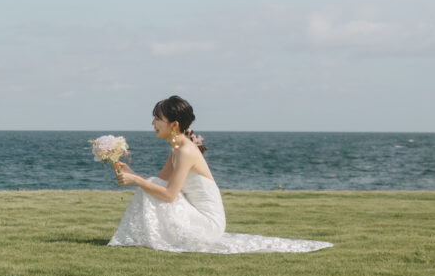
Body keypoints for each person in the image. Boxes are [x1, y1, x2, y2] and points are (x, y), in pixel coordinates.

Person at [109, 96, 332, 253]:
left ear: (174, 125)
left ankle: (142, 238)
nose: (153, 123)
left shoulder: (186, 150)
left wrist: (137, 180)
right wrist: (133, 175)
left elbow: (168, 195)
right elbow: (160, 184)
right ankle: (142, 237)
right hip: (194, 212)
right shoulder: (176, 149)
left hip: (208, 222)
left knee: (148, 185)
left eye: (158, 119)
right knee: (150, 183)